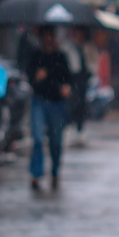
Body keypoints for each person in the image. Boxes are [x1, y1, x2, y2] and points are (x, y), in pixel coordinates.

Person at [25, 24, 73, 191]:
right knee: (37, 139)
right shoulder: (35, 56)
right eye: (45, 37)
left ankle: (55, 171)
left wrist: (66, 87)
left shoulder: (61, 57)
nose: (48, 40)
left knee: (55, 141)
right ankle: (36, 174)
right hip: (39, 101)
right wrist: (36, 77)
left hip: (57, 103)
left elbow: (69, 78)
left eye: (50, 36)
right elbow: (29, 78)